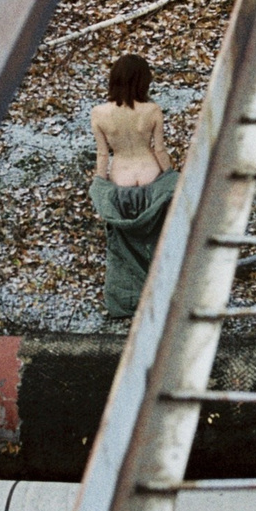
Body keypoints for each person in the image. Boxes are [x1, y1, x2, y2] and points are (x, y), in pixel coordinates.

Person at [87, 53, 179, 319]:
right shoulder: (152, 110)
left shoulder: (99, 113)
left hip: (120, 178)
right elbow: (159, 150)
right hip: (151, 177)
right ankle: (163, 297)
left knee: (123, 249)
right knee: (157, 242)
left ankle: (128, 302)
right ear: (143, 81)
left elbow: (103, 156)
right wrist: (172, 176)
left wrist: (99, 184)